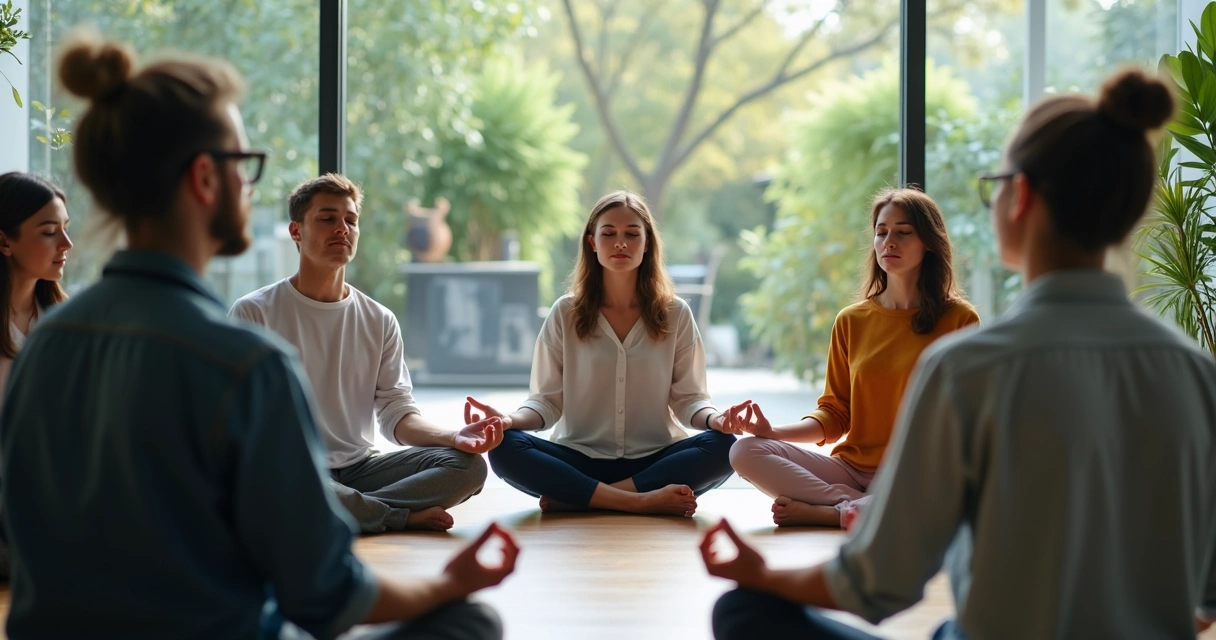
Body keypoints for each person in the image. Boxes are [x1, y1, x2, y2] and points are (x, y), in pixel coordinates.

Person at [0, 31, 515, 639]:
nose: (250, 188)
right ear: (204, 180)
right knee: (470, 622)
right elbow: (324, 595)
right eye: (245, 166)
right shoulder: (243, 358)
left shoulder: (48, 344)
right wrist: (448, 582)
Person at [702, 69, 1216, 639]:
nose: (888, 243)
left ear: (1019, 196)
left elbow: (880, 582)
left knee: (743, 612)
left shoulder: (968, 364)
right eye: (882, 233)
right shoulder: (1196, 373)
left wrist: (764, 575)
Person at [230, 174, 499, 534]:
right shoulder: (254, 312)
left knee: (469, 468)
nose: (342, 228)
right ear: (296, 231)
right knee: (264, 477)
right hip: (291, 466)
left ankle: (345, 512)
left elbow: (396, 415)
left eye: (351, 220)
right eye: (327, 218)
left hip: (361, 471)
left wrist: (453, 437)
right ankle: (389, 516)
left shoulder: (379, 319)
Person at [466, 190, 739, 517]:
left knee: (726, 447)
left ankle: (587, 498)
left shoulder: (675, 314)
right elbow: (546, 402)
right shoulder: (565, 313)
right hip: (577, 459)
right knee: (505, 448)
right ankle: (637, 501)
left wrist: (717, 420)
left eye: (631, 234)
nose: (620, 243)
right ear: (592, 242)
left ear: (648, 242)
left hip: (654, 460)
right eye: (608, 234)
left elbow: (689, 399)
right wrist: (507, 420)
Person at [726, 188, 979, 528]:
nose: (889, 241)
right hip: (851, 470)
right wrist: (773, 432)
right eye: (881, 231)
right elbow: (834, 414)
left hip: (915, 473)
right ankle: (857, 510)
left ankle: (838, 513)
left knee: (956, 486)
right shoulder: (852, 320)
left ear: (930, 243)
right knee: (743, 451)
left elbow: (965, 418)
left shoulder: (960, 319)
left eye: (903, 233)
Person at [0, 172, 73, 583]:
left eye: (66, 228)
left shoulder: (65, 326)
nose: (67, 245)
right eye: (50, 232)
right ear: (3, 241)